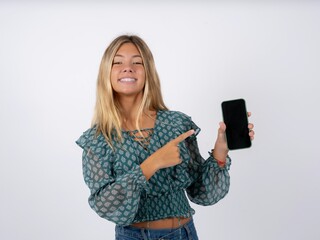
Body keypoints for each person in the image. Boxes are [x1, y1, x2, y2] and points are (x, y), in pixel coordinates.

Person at [76, 34, 255, 240]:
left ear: (148, 72)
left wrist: (220, 151)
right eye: (118, 62)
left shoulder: (176, 124)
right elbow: (106, 205)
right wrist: (152, 164)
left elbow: (202, 194)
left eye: (137, 62)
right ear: (106, 72)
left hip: (185, 233)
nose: (128, 68)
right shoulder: (98, 139)